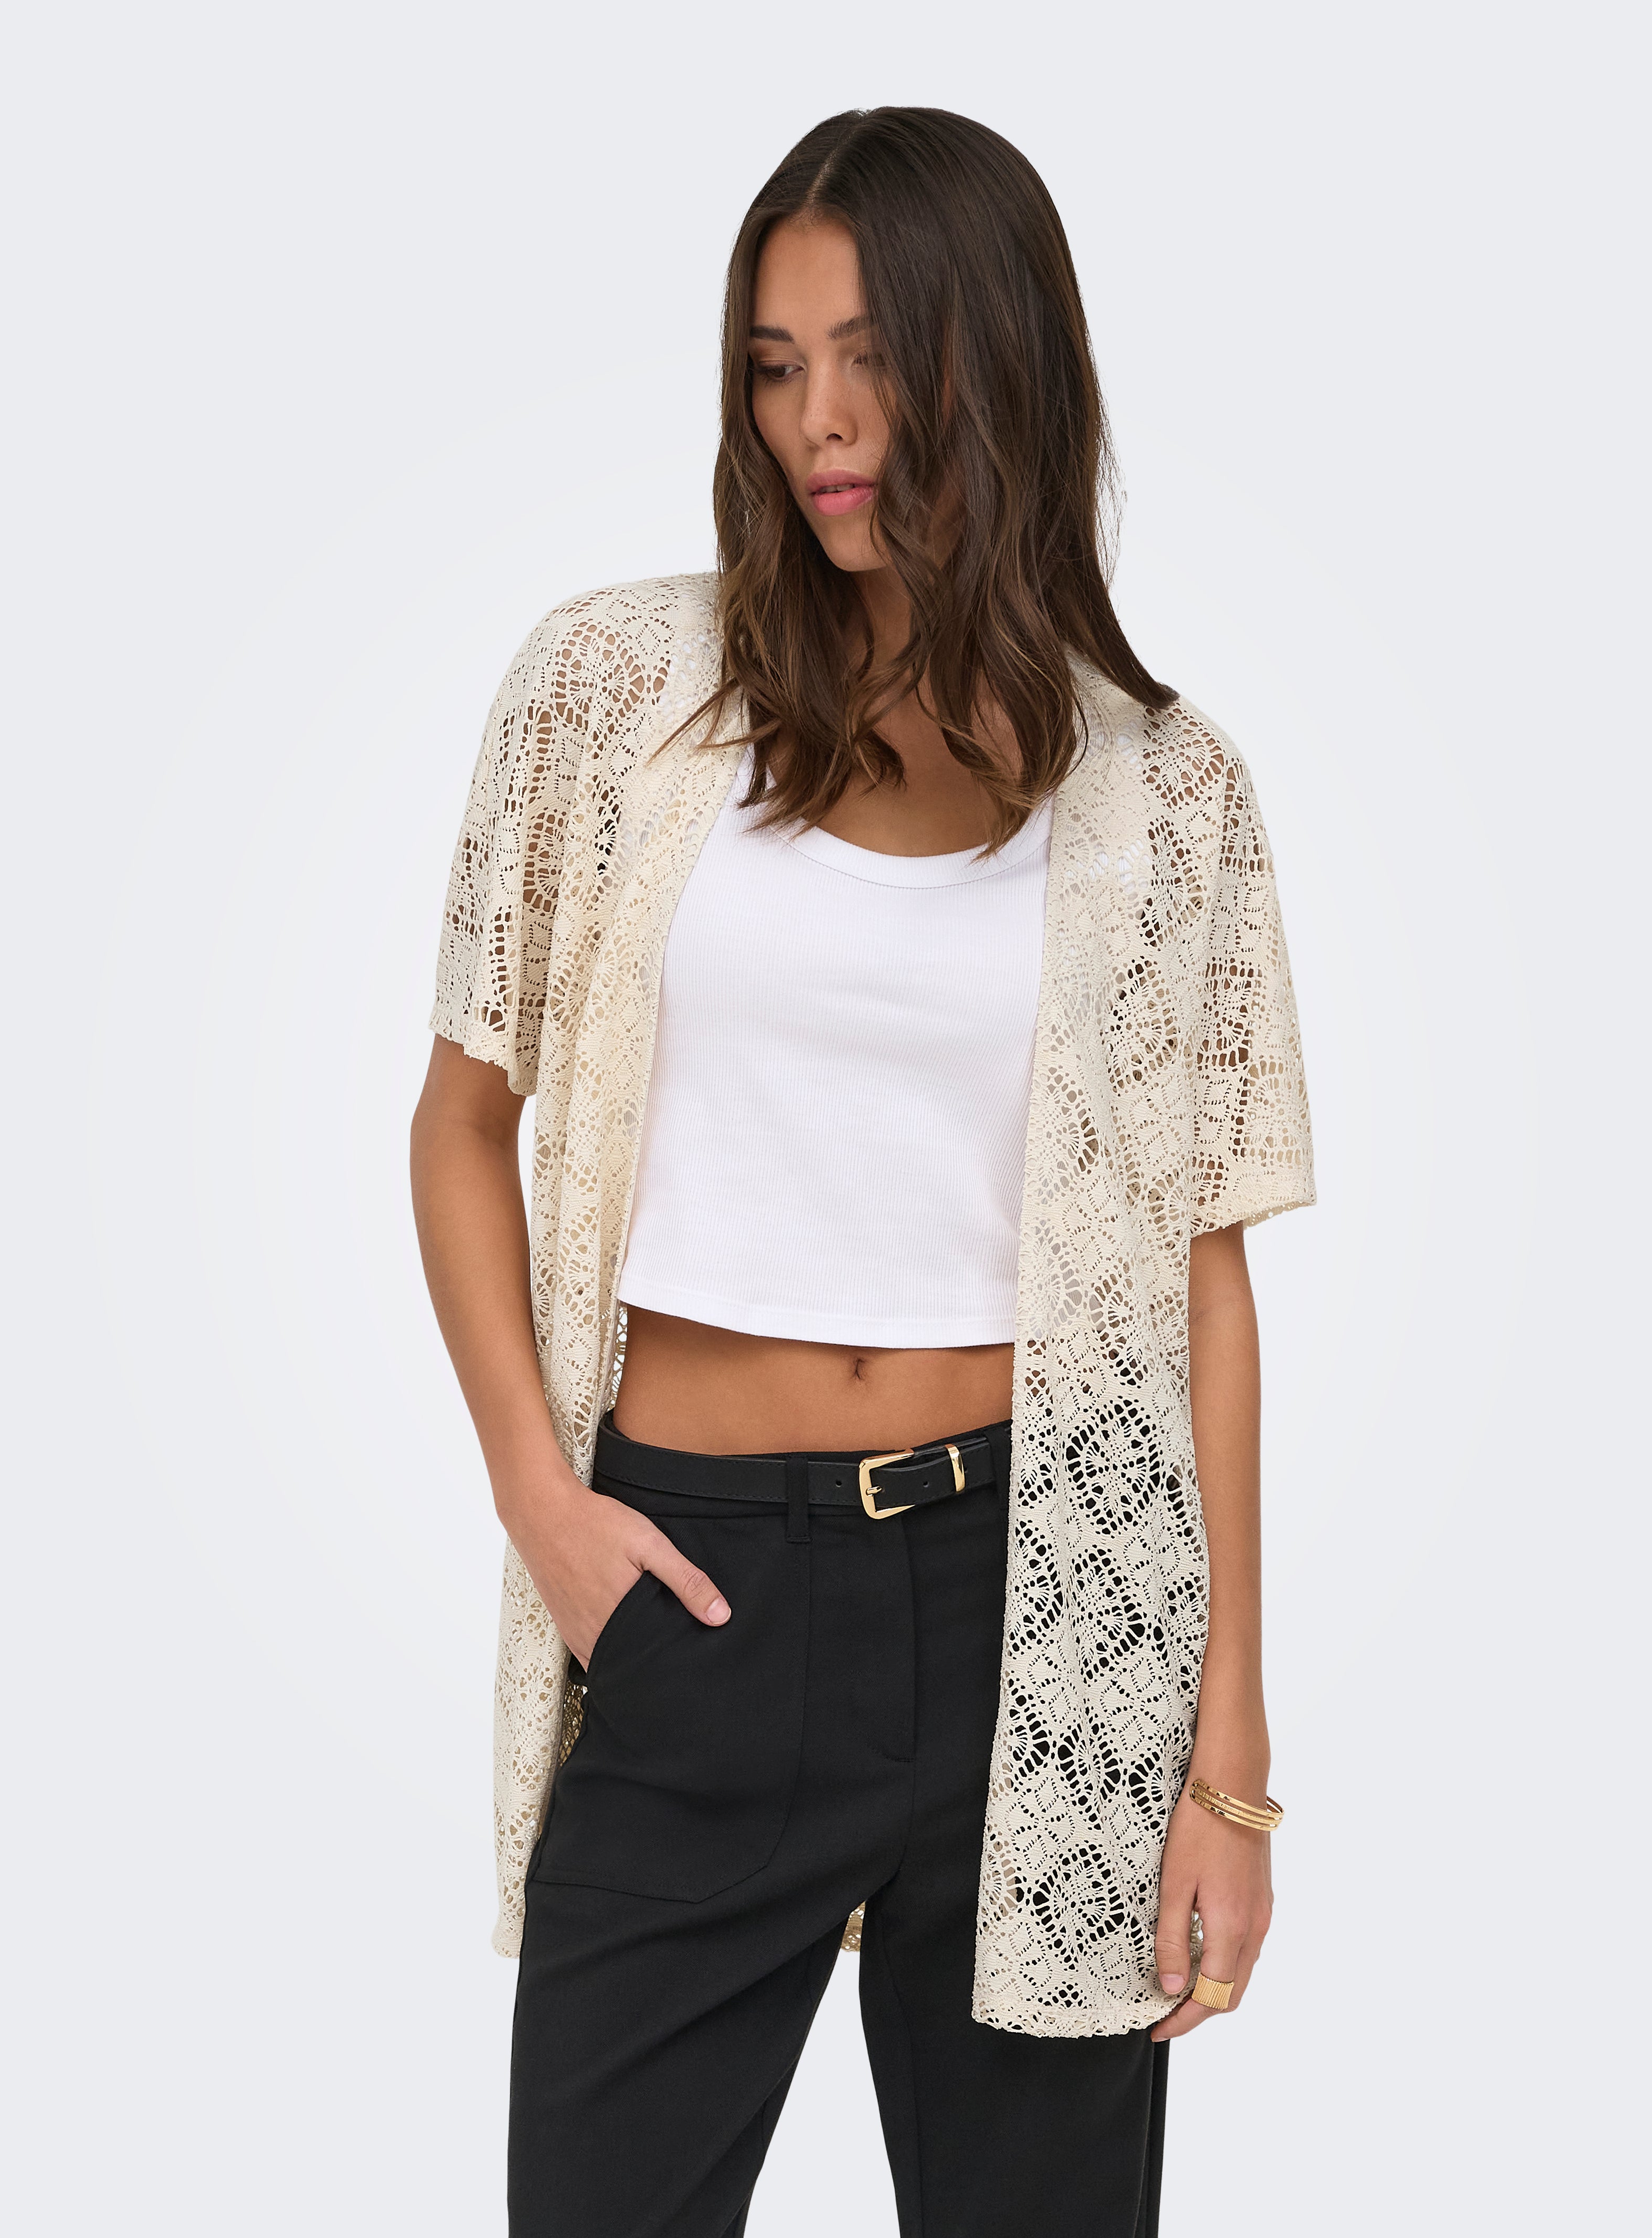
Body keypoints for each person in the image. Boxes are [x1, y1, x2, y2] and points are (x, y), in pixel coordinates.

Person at [411, 105, 1313, 2238]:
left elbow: (1202, 1283)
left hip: (1042, 1602)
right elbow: (460, 1122)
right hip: (694, 1580)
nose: (817, 419)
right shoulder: (613, 693)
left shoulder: (1165, 792)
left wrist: (1226, 1764)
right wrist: (548, 1505)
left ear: (998, 360)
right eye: (774, 363)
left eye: (872, 357)